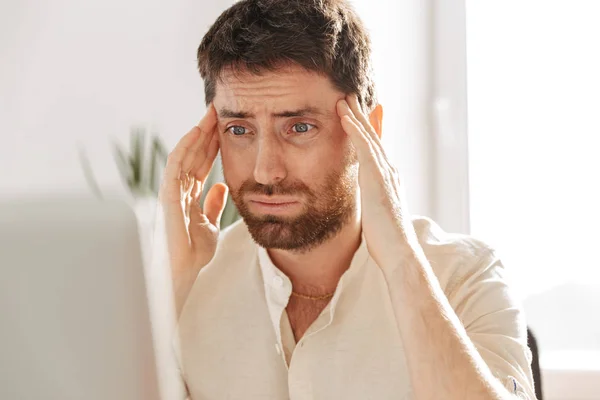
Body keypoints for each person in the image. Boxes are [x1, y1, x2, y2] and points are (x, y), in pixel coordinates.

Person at [158, 0, 536, 398]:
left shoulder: (466, 277)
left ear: (368, 131)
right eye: (239, 129)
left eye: (299, 127)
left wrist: (401, 261)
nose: (265, 171)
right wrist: (173, 291)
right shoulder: (190, 281)